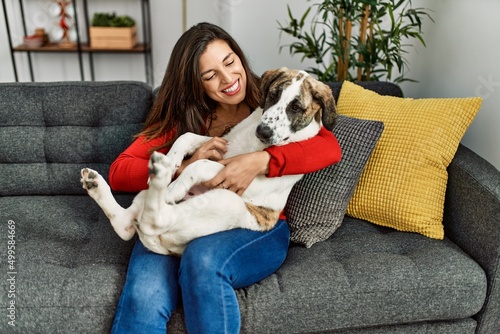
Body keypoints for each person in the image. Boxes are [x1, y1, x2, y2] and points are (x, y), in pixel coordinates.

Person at [108, 22, 341, 334]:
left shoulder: (275, 93)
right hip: (183, 215)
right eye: (210, 75)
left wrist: (262, 160)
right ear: (196, 83)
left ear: (239, 58)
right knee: (143, 295)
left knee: (203, 261)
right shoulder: (183, 119)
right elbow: (119, 171)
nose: (228, 79)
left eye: (230, 62)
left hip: (254, 222)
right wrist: (184, 165)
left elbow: (329, 147)